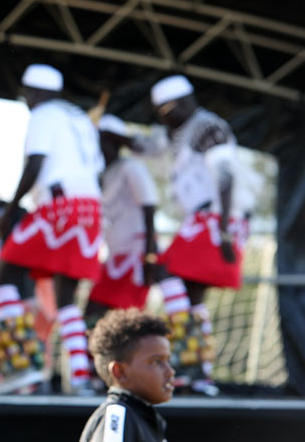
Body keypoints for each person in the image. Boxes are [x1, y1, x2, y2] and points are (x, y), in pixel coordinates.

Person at [0, 64, 103, 393]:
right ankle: (80, 377)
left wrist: (10, 209)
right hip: (90, 207)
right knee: (66, 296)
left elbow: (36, 162)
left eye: (26, 94)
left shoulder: (43, 115)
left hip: (59, 206)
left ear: (34, 92)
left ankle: (20, 366)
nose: (26, 100)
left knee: (4, 277)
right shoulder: (80, 119)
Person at [133, 74, 243, 395]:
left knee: (166, 269)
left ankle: (188, 356)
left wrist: (223, 231)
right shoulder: (182, 132)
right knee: (193, 296)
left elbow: (225, 174)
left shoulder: (208, 127)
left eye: (165, 112)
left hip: (214, 219)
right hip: (203, 218)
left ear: (178, 104)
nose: (163, 119)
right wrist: (118, 138)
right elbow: (149, 147)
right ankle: (199, 371)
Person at [86, 115, 159, 317]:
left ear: (112, 141)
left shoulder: (131, 168)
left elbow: (149, 209)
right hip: (113, 256)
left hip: (137, 256)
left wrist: (149, 257)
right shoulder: (101, 174)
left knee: (123, 322)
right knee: (93, 321)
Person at [79, 308, 174, 442]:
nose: (170, 371)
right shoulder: (117, 414)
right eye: (156, 361)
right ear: (120, 372)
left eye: (168, 361)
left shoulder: (141, 418)